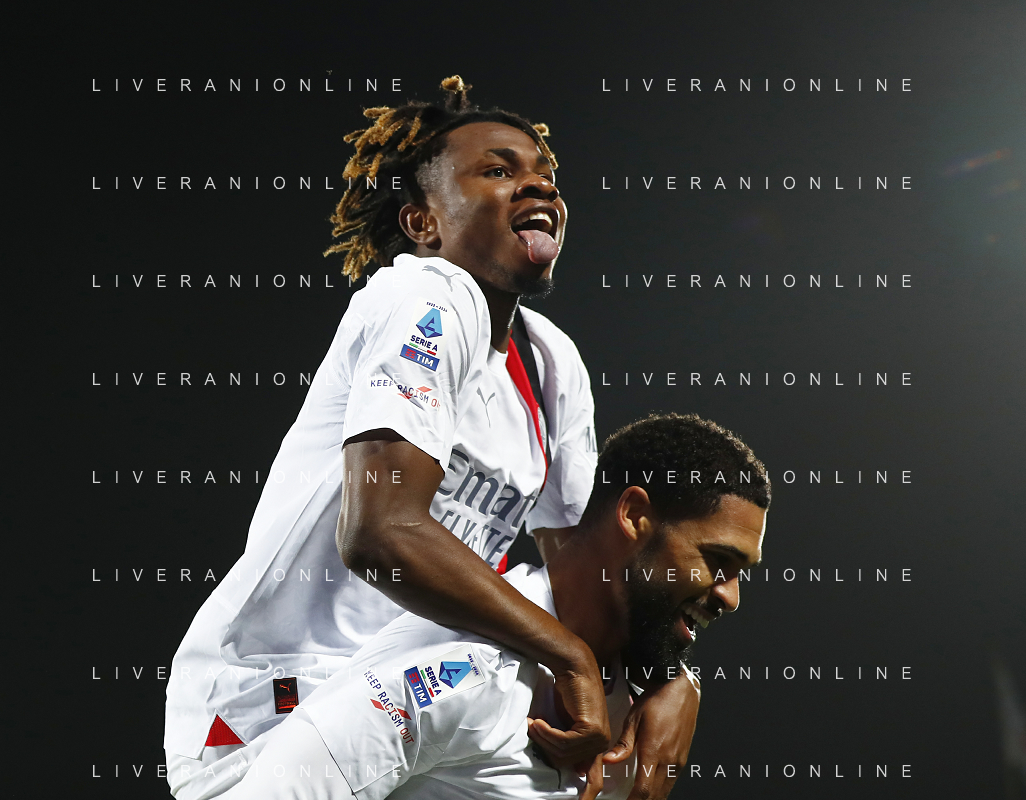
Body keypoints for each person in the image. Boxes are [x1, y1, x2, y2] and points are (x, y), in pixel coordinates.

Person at [164, 77, 700, 799]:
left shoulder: (551, 361)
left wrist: (666, 676)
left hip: (426, 682)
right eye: (498, 170)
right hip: (281, 692)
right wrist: (572, 658)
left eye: (545, 173)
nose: (537, 185)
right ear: (424, 223)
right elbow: (380, 534)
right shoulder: (422, 295)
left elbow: (584, 568)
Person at [212, 413, 771, 800]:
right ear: (634, 516)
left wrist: (680, 683)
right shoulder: (463, 670)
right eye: (717, 561)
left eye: (741, 573)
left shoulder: (645, 709)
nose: (731, 596)